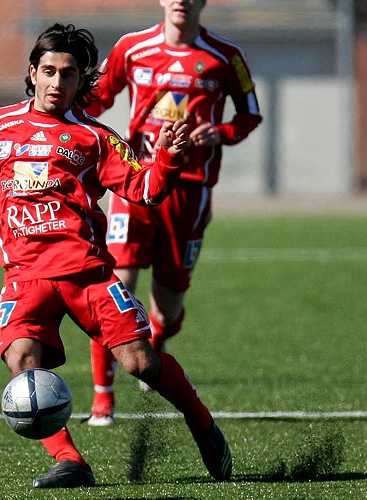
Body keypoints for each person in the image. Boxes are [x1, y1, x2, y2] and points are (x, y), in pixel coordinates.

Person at [0, 22, 232, 487]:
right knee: (21, 361)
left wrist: (169, 160)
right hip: (25, 277)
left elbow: (145, 189)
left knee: (141, 362)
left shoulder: (96, 137)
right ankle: (70, 461)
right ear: (33, 73)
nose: (58, 83)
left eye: (69, 74)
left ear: (82, 82)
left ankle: (202, 424)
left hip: (87, 274)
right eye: (50, 71)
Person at [83, 0, 262, 426]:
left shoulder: (226, 57)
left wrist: (219, 133)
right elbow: (92, 102)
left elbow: (250, 114)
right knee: (113, 285)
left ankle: (156, 345)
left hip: (190, 192)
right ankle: (102, 399)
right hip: (137, 181)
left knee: (168, 305)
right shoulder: (131, 48)